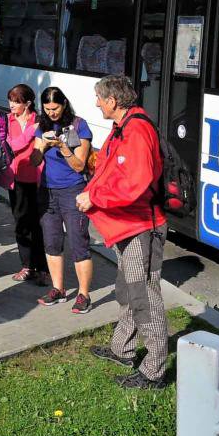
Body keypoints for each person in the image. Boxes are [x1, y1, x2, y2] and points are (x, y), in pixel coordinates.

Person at [77, 75, 168, 390]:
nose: (96, 104)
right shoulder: (124, 127)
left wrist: (95, 198)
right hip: (125, 225)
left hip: (140, 227)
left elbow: (134, 183)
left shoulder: (136, 131)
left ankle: (154, 371)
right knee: (128, 290)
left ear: (112, 101)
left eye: (99, 98)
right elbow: (111, 170)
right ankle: (123, 349)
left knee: (144, 296)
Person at [31, 86, 94, 314]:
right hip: (48, 191)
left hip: (73, 190)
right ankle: (58, 289)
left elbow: (79, 165)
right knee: (51, 242)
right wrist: (42, 145)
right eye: (47, 109)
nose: (51, 113)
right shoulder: (42, 126)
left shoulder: (79, 125)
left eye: (55, 108)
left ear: (64, 104)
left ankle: (83, 294)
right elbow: (34, 162)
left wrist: (62, 147)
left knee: (79, 243)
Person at [4, 84, 49, 286]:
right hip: (16, 179)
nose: (12, 105)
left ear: (28, 103)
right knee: (21, 224)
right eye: (10, 100)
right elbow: (10, 146)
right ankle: (27, 266)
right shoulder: (7, 120)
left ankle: (43, 269)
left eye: (16, 101)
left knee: (38, 225)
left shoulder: (39, 121)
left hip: (37, 180)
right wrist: (30, 132)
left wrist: (34, 130)